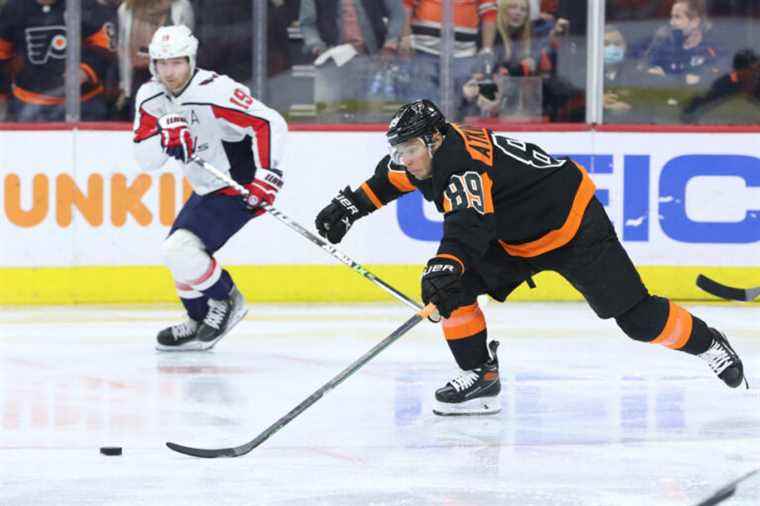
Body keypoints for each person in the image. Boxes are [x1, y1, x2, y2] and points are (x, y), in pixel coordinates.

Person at [314, 99, 747, 416]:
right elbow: (388, 182)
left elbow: (470, 226)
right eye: (399, 151)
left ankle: (709, 343)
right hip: (514, 234)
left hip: (572, 225)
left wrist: (445, 262)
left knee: (638, 320)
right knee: (454, 291)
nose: (404, 160)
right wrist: (349, 206)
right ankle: (481, 375)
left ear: (434, 139)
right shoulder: (425, 156)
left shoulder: (463, 165)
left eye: (410, 149)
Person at [132, 25, 288, 351]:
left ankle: (226, 300)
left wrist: (268, 175)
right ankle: (199, 319)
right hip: (206, 187)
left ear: (190, 60)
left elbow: (269, 121)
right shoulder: (151, 97)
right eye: (162, 63)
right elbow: (146, 161)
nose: (169, 72)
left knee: (179, 250)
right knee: (179, 255)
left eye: (176, 63)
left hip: (239, 186)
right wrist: (165, 137)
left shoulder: (214, 90)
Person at [0, 0, 116, 122]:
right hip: (27, 104)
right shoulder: (13, 9)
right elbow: (2, 54)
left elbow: (106, 47)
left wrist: (86, 70)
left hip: (85, 104)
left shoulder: (85, 5)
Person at [116, 0, 195, 119]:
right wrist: (125, 88)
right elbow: (123, 48)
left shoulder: (180, 6)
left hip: (172, 77)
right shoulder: (126, 8)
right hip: (140, 77)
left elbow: (190, 47)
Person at [642, 0, 722, 87]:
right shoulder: (663, 46)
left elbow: (714, 73)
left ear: (694, 22)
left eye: (677, 17)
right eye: (671, 17)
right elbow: (645, 68)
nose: (671, 22)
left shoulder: (709, 51)